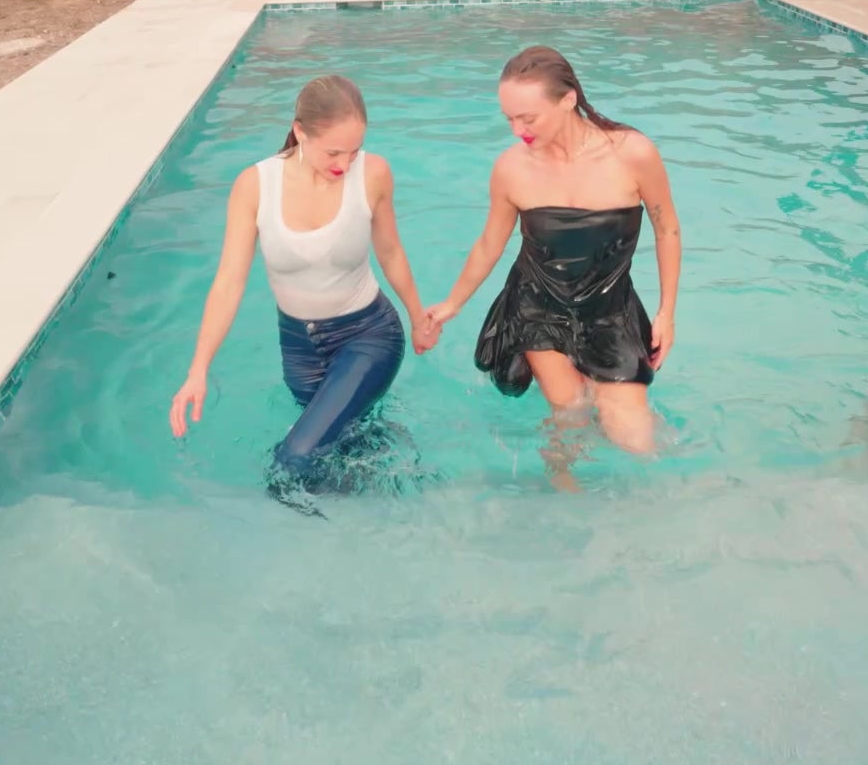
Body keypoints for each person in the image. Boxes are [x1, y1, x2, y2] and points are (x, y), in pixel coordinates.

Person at [169, 74, 440, 514]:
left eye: (353, 151)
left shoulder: (372, 175)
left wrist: (417, 316)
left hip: (369, 335)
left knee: (292, 461)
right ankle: (397, 488)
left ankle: (360, 529)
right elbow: (228, 281)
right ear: (299, 132)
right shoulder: (255, 186)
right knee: (341, 444)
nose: (344, 164)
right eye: (333, 152)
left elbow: (390, 251)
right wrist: (198, 368)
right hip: (299, 350)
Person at [425, 46, 682, 491]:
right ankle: (562, 488)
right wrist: (451, 304)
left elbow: (668, 229)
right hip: (537, 307)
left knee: (636, 439)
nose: (516, 130)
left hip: (609, 309)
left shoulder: (633, 153)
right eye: (508, 119)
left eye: (528, 118)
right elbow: (490, 243)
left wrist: (666, 313)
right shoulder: (511, 168)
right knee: (571, 415)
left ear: (567, 100)